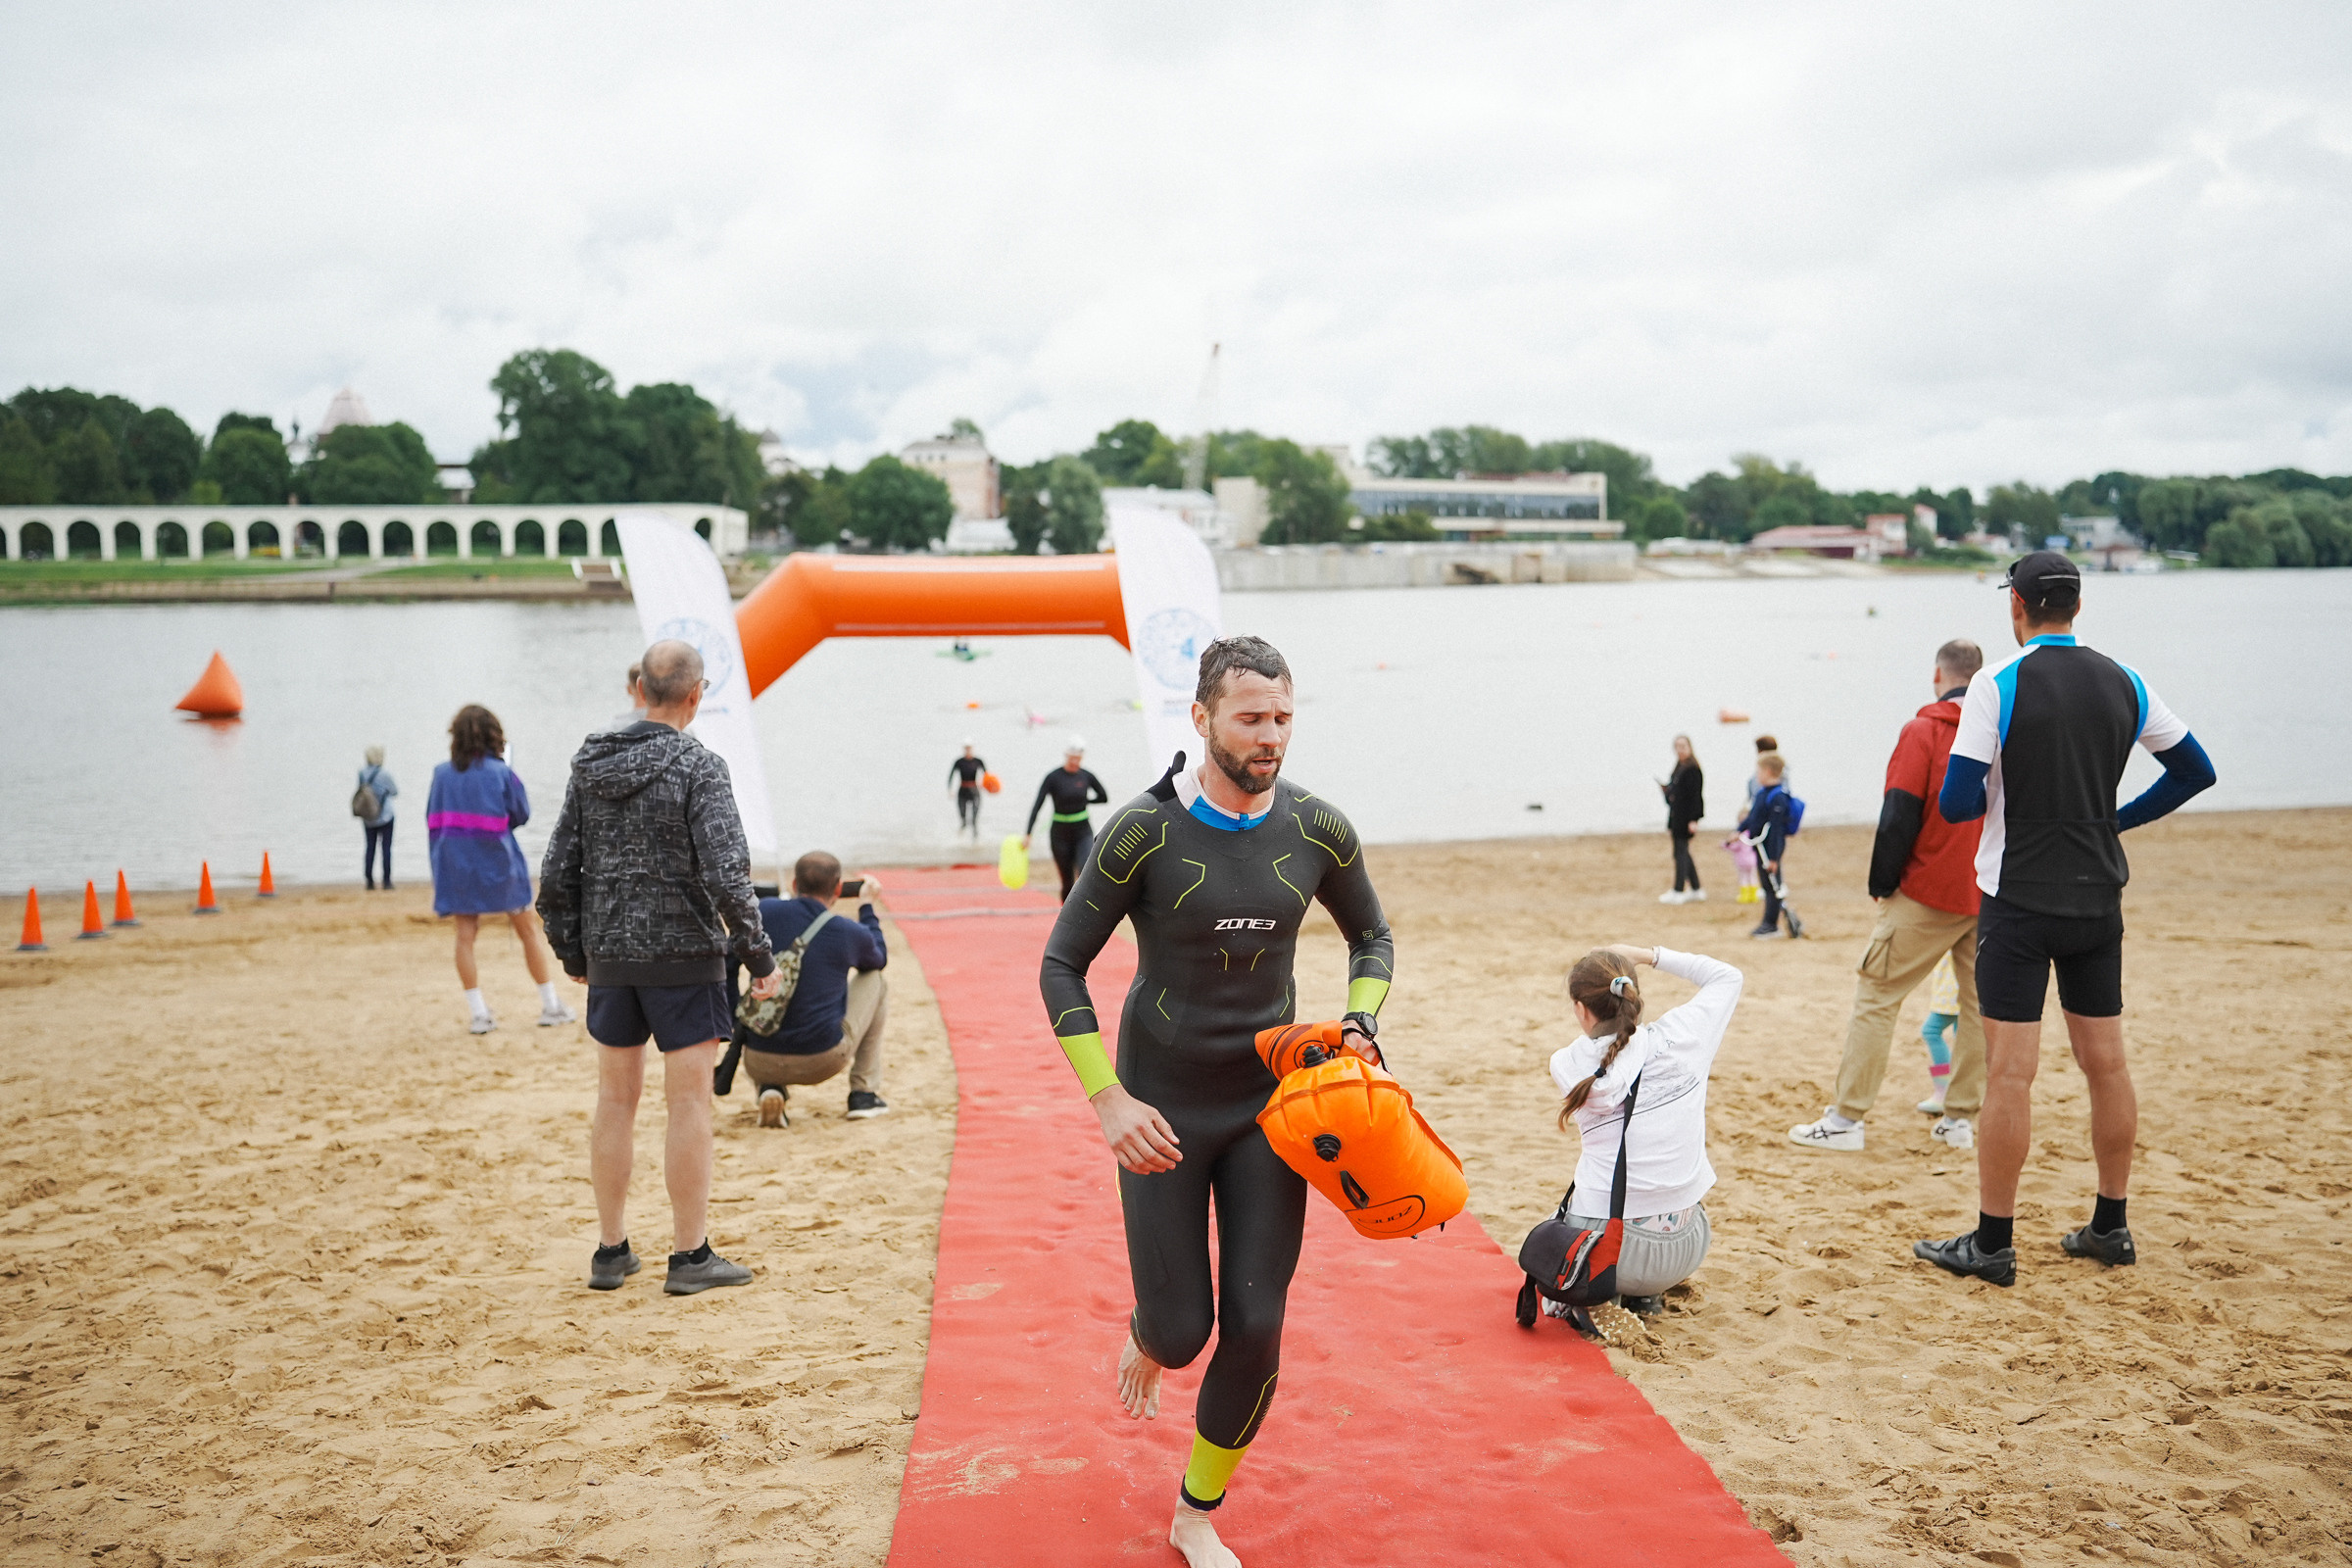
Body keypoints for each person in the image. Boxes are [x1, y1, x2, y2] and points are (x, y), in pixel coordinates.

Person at [1038, 635, 1395, 1568]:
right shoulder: (1142, 832)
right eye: (1251, 718)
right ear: (1201, 718)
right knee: (1183, 1330)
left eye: (1282, 717)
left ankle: (1196, 1512)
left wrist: (1358, 1024)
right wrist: (1107, 1100)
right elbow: (1061, 963)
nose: (1271, 736)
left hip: (1266, 1113)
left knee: (1259, 1323)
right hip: (1157, 1109)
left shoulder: (1318, 829)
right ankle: (1148, 1333)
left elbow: (1374, 939)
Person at [1914, 552, 2215, 1288]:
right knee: (2105, 1063)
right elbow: (2195, 770)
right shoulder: (2125, 680)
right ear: (2076, 607)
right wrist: (2114, 820)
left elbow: (1956, 803)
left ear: (2017, 607)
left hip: (2017, 902)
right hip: (2097, 898)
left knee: (2010, 1076)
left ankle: (1992, 1244)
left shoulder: (1998, 682)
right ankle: (2111, 1226)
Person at [538, 639, 783, 1297]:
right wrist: (759, 956)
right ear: (696, 695)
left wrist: (573, 951)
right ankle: (689, 1255)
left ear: (639, 688)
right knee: (688, 1105)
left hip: (613, 955)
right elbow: (730, 877)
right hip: (685, 958)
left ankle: (611, 1249)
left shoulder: (591, 764)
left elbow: (555, 874)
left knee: (615, 1101)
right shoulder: (700, 767)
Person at [1788, 638, 1988, 1154]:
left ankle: (1846, 1118)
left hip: (1929, 888)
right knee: (1979, 1008)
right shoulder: (1999, 729)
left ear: (1937, 676)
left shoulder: (1924, 730)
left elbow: (1898, 811)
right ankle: (1960, 1117)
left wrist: (1882, 884)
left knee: (1876, 996)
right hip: (1990, 890)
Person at [1547, 942, 1743, 1316]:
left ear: (1579, 1009)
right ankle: (1647, 1295)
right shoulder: (1686, 1036)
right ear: (1632, 993)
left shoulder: (1568, 1063)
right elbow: (1727, 976)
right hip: (1686, 1246)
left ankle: (1602, 1295)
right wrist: (1649, 955)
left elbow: (1611, 1053)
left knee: (1567, 1218)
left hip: (1609, 1249)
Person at [425, 706, 569, 1034]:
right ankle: (550, 1005)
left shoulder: (441, 774)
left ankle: (479, 1013)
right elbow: (521, 814)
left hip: (457, 866)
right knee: (528, 931)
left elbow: (433, 820)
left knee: (465, 936)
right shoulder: (502, 773)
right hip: (499, 864)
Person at [742, 852, 891, 1126]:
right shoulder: (846, 931)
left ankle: (768, 1087)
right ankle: (863, 1094)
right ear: (837, 888)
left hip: (758, 1059)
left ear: (795, 884)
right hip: (821, 1060)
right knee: (875, 981)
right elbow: (878, 959)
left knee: (761, 983)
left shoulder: (764, 912)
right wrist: (867, 906)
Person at [1024, 737, 1108, 902]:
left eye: (1078, 758)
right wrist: (1028, 834)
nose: (1075, 762)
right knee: (1067, 881)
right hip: (1059, 834)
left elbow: (1104, 797)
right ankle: (1066, 917)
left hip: (1082, 832)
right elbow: (1037, 805)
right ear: (1066, 756)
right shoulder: (1053, 777)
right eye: (1072, 758)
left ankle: (1085, 913)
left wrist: (1086, 801)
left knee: (1085, 873)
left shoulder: (1086, 776)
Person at [1738, 752, 1795, 939]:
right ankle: (1767, 923)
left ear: (1769, 771)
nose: (1757, 775)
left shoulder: (1779, 796)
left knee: (1773, 886)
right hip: (1759, 846)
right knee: (1766, 885)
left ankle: (1771, 925)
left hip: (1770, 848)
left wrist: (1774, 858)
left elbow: (1777, 829)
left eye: (1759, 771)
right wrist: (1737, 831)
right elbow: (1753, 818)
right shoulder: (1762, 793)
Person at [1658, 735, 1705, 904]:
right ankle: (1696, 888)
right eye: (1677, 746)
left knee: (1681, 853)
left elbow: (1696, 797)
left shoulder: (1693, 769)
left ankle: (1679, 890)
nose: (1680, 749)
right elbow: (1675, 793)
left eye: (1683, 746)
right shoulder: (1679, 767)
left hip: (1686, 817)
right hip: (1676, 815)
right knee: (1682, 852)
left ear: (1690, 747)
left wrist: (1694, 819)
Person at [1917, 954, 1960, 1114]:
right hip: (1957, 985)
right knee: (1962, 1037)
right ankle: (1956, 1091)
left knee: (1931, 1031)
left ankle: (1944, 1091)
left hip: (1955, 988)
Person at [358, 746, 397, 891]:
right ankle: (387, 881)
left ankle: (369, 881)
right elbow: (394, 791)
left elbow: (360, 791)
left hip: (368, 816)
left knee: (370, 847)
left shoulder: (362, 773)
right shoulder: (384, 774)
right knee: (386, 848)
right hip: (385, 815)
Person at [948, 741, 988, 839]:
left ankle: (975, 841)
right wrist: (950, 790)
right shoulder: (959, 762)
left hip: (974, 791)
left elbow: (987, 775)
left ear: (972, 748)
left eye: (969, 748)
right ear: (964, 749)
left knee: (974, 819)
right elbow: (951, 776)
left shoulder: (978, 761)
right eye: (966, 748)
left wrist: (985, 785)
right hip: (962, 791)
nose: (968, 750)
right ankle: (960, 838)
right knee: (963, 819)